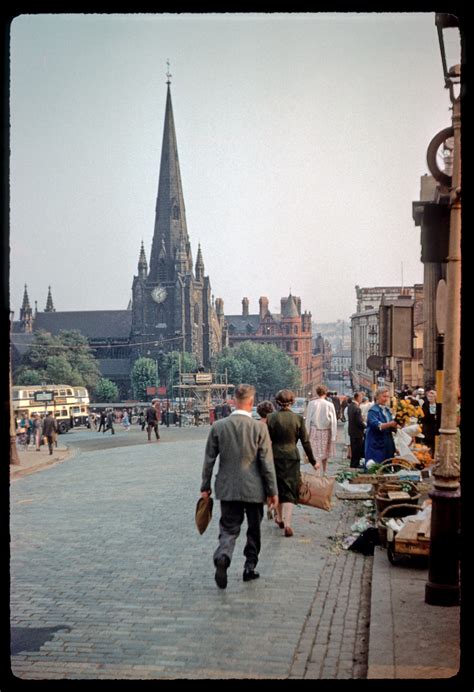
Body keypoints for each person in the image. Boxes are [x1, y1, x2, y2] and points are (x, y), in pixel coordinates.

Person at [200, 383, 279, 589]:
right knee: (254, 529)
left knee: (228, 527)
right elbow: (267, 463)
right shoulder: (259, 428)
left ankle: (223, 555)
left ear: (234, 400)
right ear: (251, 402)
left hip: (227, 488)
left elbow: (209, 460)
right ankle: (249, 566)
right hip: (254, 489)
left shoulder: (218, 426)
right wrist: (272, 492)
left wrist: (205, 486)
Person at [267, 389, 318, 537]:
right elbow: (306, 442)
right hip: (292, 457)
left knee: (277, 487)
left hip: (275, 456)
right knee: (290, 490)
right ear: (293, 402)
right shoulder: (298, 419)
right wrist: (313, 461)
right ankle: (288, 523)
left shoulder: (271, 418)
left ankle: (278, 517)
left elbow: (264, 441)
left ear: (277, 402)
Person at [305, 385, 337, 477]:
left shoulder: (312, 403)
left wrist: (307, 432)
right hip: (326, 431)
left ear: (317, 392)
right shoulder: (329, 404)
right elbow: (333, 420)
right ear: (326, 393)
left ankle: (316, 472)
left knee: (315, 452)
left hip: (314, 430)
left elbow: (308, 419)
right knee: (325, 452)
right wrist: (334, 434)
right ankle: (324, 471)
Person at [364, 387, 398, 464]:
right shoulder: (373, 411)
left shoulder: (387, 410)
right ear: (377, 397)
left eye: (387, 397)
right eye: (384, 396)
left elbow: (391, 424)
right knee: (376, 468)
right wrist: (391, 424)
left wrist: (396, 425)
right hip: (376, 444)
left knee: (387, 466)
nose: (386, 399)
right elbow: (377, 425)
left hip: (387, 443)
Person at [347, 392, 366, 469]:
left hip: (352, 431)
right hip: (357, 432)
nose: (362, 399)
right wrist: (365, 426)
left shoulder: (350, 406)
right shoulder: (357, 408)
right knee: (357, 449)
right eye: (361, 397)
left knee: (354, 448)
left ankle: (353, 464)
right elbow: (359, 422)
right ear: (357, 397)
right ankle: (355, 464)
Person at [421, 389, 439, 456]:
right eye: (429, 396)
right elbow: (423, 416)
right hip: (427, 426)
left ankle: (433, 455)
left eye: (432, 396)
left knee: (434, 443)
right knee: (427, 442)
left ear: (435, 397)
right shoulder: (425, 405)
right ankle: (427, 456)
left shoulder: (438, 405)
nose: (430, 398)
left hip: (435, 426)